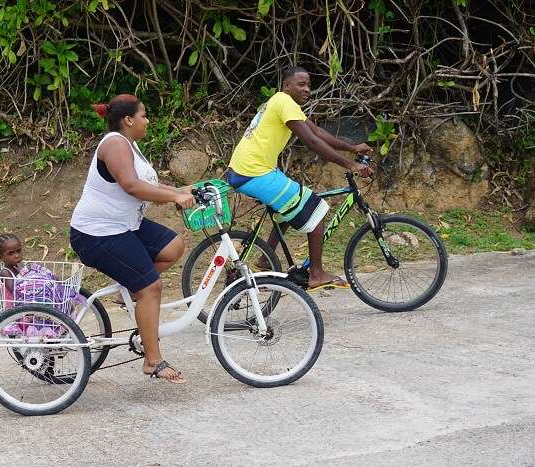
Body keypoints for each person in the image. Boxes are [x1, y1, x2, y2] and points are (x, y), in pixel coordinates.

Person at [70, 94, 195, 383]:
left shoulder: (129, 145)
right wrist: (175, 196)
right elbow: (131, 186)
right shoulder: (114, 143)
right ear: (128, 120)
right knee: (152, 286)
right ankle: (153, 361)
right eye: (144, 115)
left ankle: (131, 286)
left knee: (173, 246)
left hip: (124, 226)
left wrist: (179, 189)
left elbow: (147, 184)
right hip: (96, 233)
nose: (147, 121)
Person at [226, 66, 374, 290]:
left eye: (309, 86)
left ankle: (266, 258)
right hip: (254, 172)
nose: (307, 90)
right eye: (301, 84)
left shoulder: (282, 103)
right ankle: (316, 274)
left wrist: (352, 148)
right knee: (317, 208)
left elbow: (316, 133)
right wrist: (351, 165)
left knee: (287, 208)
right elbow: (312, 143)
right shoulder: (284, 102)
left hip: (250, 169)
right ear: (287, 86)